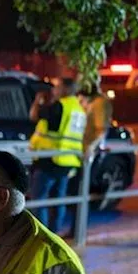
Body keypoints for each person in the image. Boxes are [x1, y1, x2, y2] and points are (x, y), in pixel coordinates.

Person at [29, 77, 86, 235]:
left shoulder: (60, 106)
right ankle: (54, 232)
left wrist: (38, 101)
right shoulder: (78, 108)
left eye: (57, 87)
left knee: (38, 198)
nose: (54, 90)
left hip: (51, 159)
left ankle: (42, 235)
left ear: (66, 90)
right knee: (59, 198)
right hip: (68, 160)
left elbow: (34, 116)